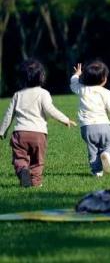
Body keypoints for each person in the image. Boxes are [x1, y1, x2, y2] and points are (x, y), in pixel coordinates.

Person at [0, 59, 76, 187]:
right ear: (41, 77)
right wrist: (65, 120)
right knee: (37, 161)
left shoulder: (17, 95)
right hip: (38, 134)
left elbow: (8, 115)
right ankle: (35, 182)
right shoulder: (43, 93)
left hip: (20, 133)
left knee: (20, 158)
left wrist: (2, 131)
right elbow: (50, 110)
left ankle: (23, 170)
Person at [70, 60, 110, 177]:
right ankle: (108, 155)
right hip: (104, 126)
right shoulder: (106, 93)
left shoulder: (82, 90)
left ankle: (97, 172)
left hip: (87, 128)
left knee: (93, 150)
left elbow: (73, 83)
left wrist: (77, 74)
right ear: (103, 79)